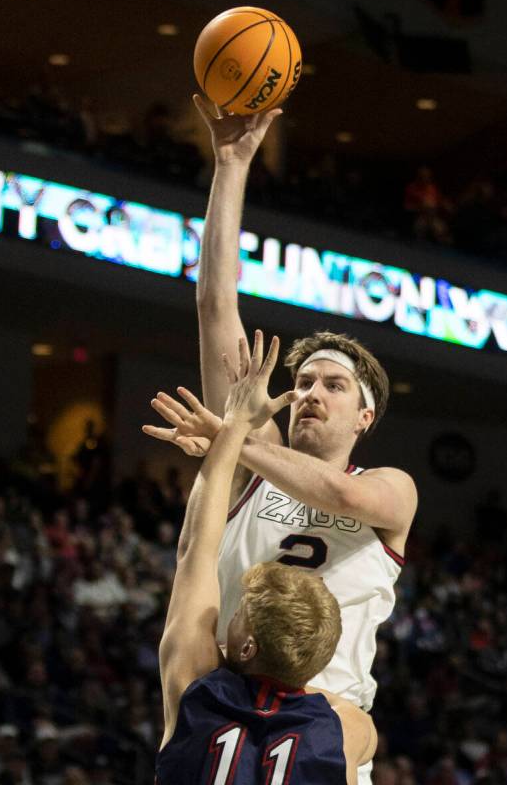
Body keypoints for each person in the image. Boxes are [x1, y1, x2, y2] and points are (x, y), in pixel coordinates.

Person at [144, 98, 418, 785]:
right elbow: (214, 306)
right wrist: (231, 163)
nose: (308, 392)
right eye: (302, 381)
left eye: (332, 385)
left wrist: (232, 438)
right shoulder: (250, 461)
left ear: (364, 417)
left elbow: (339, 492)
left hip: (325, 724)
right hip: (227, 699)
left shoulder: (389, 488)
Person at [151, 331, 377, 784]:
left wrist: (232, 427)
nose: (227, 623)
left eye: (240, 616)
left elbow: (196, 547)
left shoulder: (194, 689)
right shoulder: (347, 727)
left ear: (246, 646)